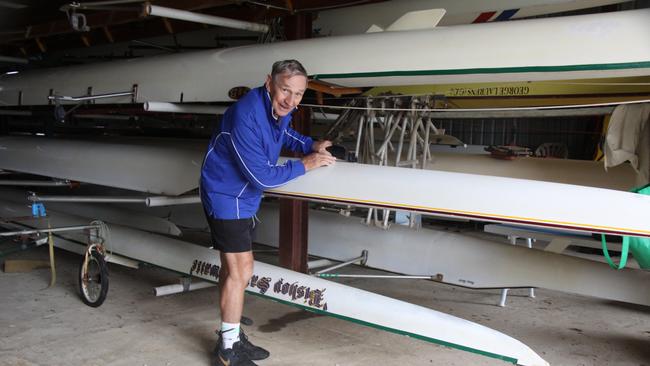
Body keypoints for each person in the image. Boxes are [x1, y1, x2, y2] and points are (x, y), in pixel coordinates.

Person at [200, 59, 336, 366]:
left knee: (232, 270)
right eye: (285, 90)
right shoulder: (246, 114)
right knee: (241, 271)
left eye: (299, 94)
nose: (291, 100)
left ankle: (230, 336)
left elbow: (285, 134)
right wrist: (305, 164)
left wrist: (310, 144)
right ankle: (227, 350)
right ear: (269, 82)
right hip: (225, 195)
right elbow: (262, 176)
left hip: (244, 198)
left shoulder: (277, 109)